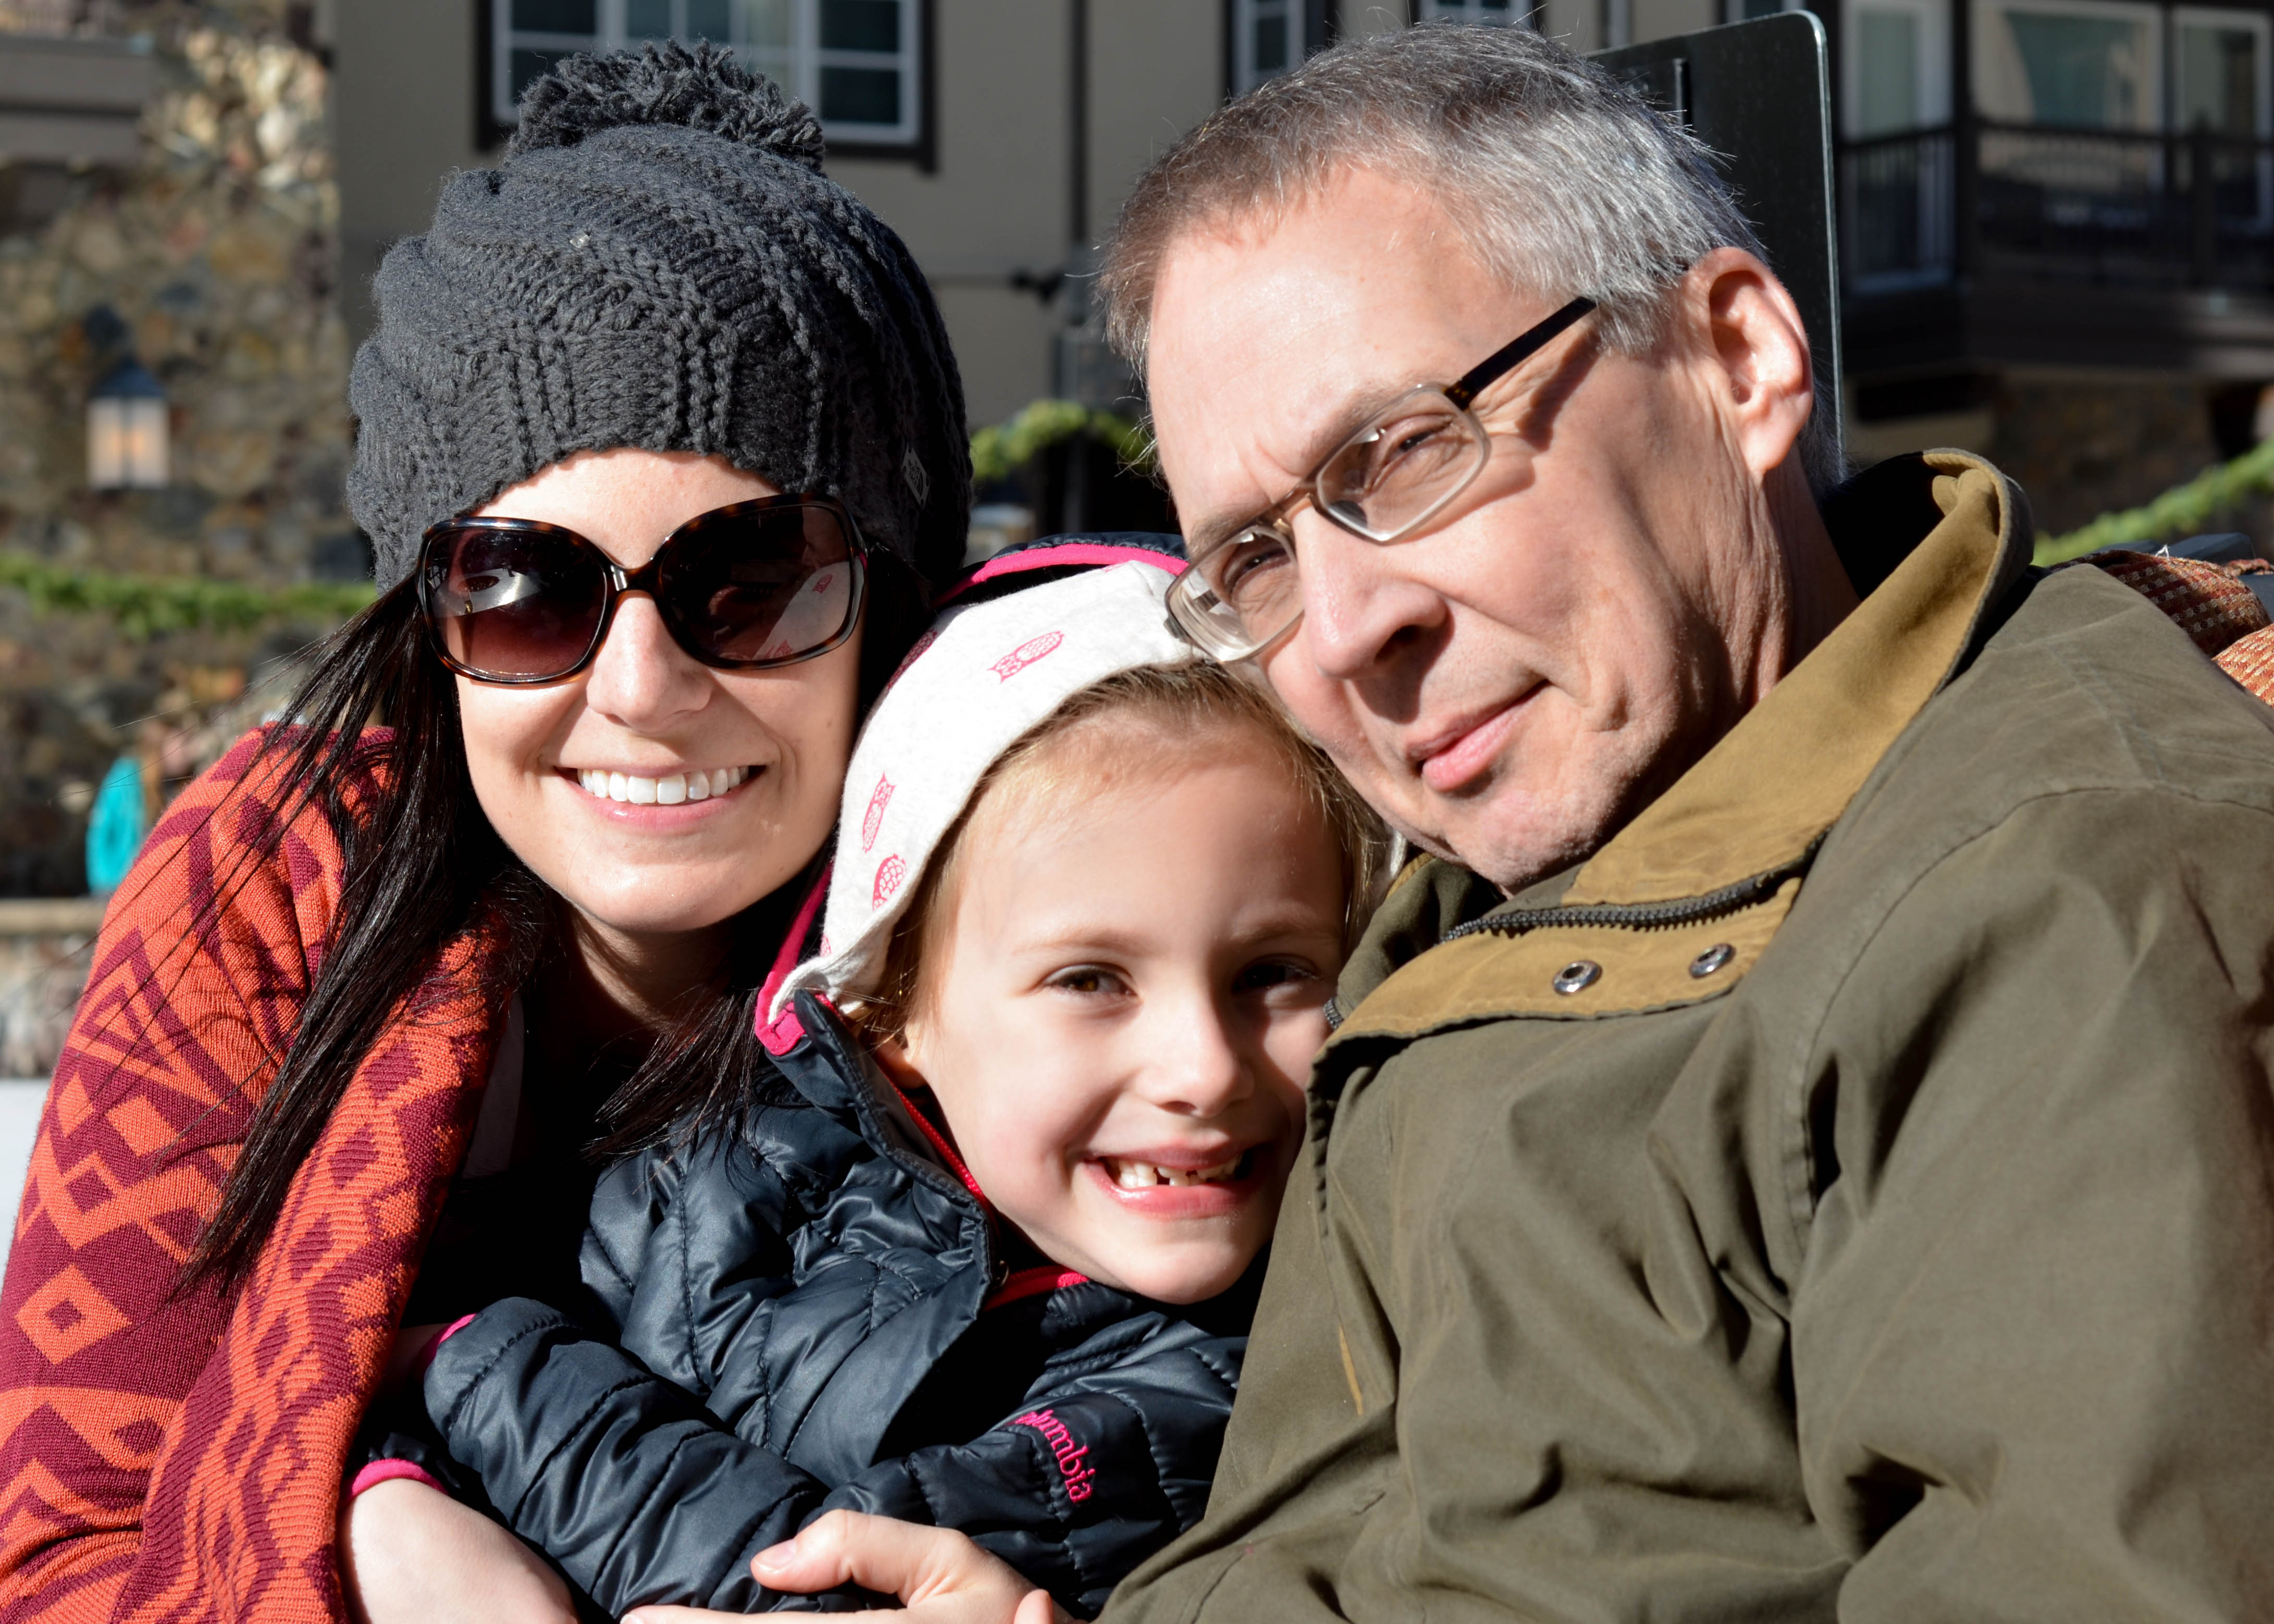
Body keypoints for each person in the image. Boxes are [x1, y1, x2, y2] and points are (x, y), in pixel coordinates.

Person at [1067, 22, 2274, 1622]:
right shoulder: (1465, 901)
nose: (1345, 629)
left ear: (1736, 359)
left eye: (1402, 451)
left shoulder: (2049, 895)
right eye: (1257, 558)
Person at [0, 45, 969, 1623]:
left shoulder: (1049, 927)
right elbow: (52, 1553)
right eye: (527, 589)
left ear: (889, 598)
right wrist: (367, 1551)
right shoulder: (277, 883)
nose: (641, 688)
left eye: (752, 581)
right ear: (428, 621)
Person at [375, 552, 1382, 1619]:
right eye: (1091, 980)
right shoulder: (730, 1169)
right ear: (894, 1011)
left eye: (1273, 972)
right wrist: (393, 1488)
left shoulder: (1253, 1371)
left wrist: (468, 1364)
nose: (1204, 1067)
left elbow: (831, 1582)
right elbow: (348, 1428)